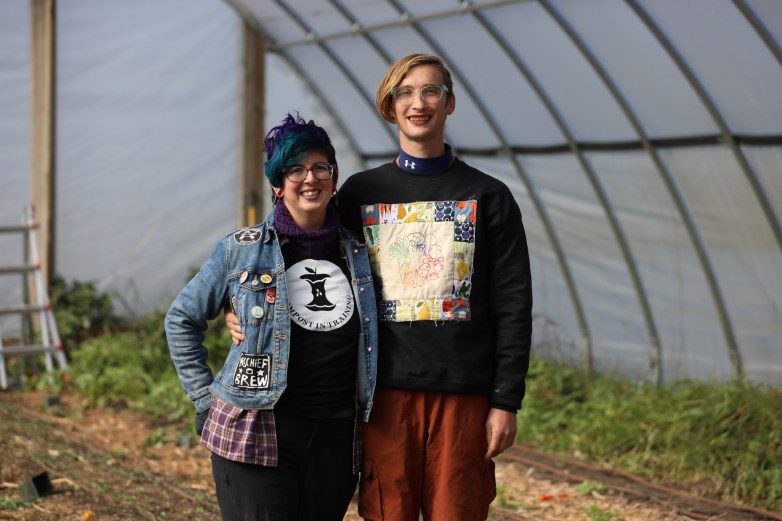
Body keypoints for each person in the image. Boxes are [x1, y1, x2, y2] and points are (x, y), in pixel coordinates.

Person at [228, 53, 532, 521]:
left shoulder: (488, 197)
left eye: (431, 91)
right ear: (390, 107)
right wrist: (242, 308)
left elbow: (513, 303)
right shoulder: (359, 195)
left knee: (458, 511)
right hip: (380, 397)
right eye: (404, 93)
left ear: (450, 103)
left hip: (464, 393)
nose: (418, 103)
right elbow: (304, 258)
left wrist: (505, 401)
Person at [164, 113, 378, 521]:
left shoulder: (360, 253)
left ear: (334, 178)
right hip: (257, 428)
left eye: (320, 167)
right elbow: (181, 319)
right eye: (295, 169)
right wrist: (203, 399)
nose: (310, 178)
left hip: (335, 435)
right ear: (278, 185)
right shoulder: (240, 250)